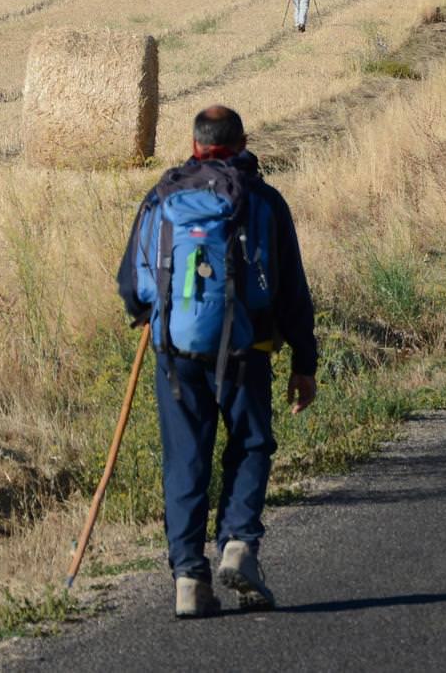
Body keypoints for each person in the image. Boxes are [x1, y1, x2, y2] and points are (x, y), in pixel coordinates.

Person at [119, 105, 320, 618]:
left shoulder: (161, 196)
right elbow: (291, 288)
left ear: (194, 143)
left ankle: (188, 579)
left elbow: (131, 283)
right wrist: (304, 360)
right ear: (243, 142)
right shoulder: (263, 200)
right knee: (251, 443)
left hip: (175, 352)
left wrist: (149, 312)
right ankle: (238, 545)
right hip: (246, 347)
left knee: (186, 459)